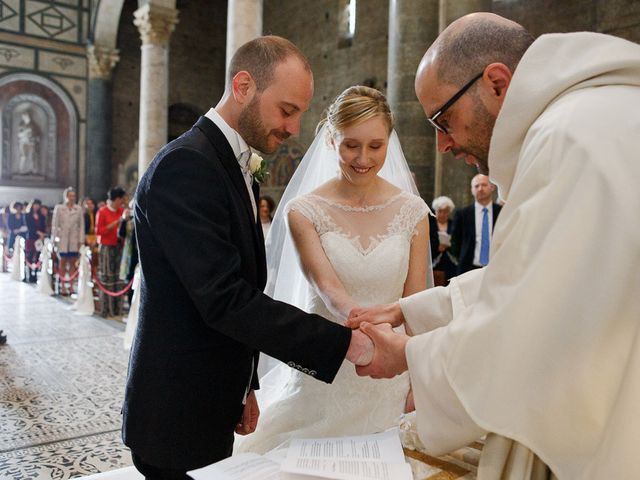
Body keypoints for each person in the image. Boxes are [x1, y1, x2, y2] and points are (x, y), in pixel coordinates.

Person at [347, 11, 640, 480]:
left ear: (497, 83)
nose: (442, 144)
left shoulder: (569, 139)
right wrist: (414, 309)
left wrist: (408, 355)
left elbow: (528, 331)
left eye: (443, 119)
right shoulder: (597, 117)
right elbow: (537, 277)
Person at [122, 36, 374, 479]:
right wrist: (344, 343)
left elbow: (239, 283)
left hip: (211, 399)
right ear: (243, 87)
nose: (294, 128)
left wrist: (245, 386)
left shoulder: (233, 166)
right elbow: (225, 298)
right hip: (176, 413)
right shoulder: (186, 166)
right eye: (287, 110)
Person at [235, 86, 431, 454]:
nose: (363, 158)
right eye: (351, 145)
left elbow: (415, 300)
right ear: (331, 139)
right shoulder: (304, 210)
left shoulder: (413, 211)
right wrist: (370, 339)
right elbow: (327, 287)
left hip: (392, 377)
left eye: (375, 146)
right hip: (326, 370)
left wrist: (418, 376)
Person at [450, 174, 501, 275]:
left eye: (484, 185)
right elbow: (455, 241)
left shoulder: (501, 212)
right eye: (476, 186)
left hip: (496, 267)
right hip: (468, 268)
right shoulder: (462, 214)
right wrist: (462, 257)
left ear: (492, 187)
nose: (480, 189)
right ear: (472, 190)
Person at [95, 187, 127, 318]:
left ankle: (117, 309)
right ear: (117, 199)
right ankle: (106, 309)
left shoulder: (122, 211)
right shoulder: (102, 212)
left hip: (119, 247)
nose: (124, 201)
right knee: (108, 277)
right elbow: (100, 231)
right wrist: (117, 222)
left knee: (118, 278)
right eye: (123, 199)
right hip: (107, 248)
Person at [52, 187, 84, 295]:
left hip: (74, 239)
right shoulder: (59, 208)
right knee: (62, 262)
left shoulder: (78, 209)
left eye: (73, 196)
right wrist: (54, 240)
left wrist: (81, 241)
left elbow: (81, 226)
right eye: (70, 196)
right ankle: (62, 286)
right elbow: (55, 226)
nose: (72, 198)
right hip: (63, 239)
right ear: (66, 197)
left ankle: (70, 285)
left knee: (72, 263)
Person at [430, 196, 457, 283]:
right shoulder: (430, 225)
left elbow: (458, 242)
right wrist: (437, 248)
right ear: (435, 211)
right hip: (434, 265)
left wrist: (450, 246)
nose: (442, 214)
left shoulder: (454, 224)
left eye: (445, 211)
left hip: (450, 264)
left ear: (449, 212)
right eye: (439, 211)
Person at [25, 199, 46, 283]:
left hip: (39, 238)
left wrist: (42, 234)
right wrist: (38, 232)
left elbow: (43, 226)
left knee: (37, 256)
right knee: (29, 256)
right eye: (35, 204)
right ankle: (29, 274)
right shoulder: (28, 215)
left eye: (38, 205)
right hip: (31, 237)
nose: (36, 206)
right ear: (32, 205)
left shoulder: (42, 216)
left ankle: (35, 274)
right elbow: (29, 227)